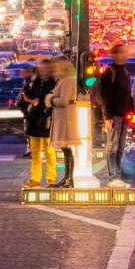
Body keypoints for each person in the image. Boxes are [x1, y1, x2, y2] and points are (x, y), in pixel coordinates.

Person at [96, 44, 134, 187]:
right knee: (112, 146)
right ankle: (112, 177)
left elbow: (128, 94)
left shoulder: (125, 71)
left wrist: (131, 109)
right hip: (114, 116)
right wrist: (107, 116)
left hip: (124, 115)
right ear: (115, 55)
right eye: (123, 52)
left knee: (120, 147)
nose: (126, 55)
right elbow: (105, 97)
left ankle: (117, 176)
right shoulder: (109, 73)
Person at [19, 59, 57, 189]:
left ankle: (51, 179)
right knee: (35, 152)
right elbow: (27, 99)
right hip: (34, 120)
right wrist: (30, 102)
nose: (42, 70)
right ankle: (35, 179)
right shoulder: (34, 83)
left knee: (49, 151)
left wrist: (37, 103)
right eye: (41, 68)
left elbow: (51, 101)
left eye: (45, 68)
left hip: (46, 120)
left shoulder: (53, 83)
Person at [47, 58, 83, 187]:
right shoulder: (63, 80)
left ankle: (69, 179)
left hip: (66, 119)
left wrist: (51, 100)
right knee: (65, 149)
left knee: (67, 149)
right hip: (63, 118)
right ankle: (67, 179)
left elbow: (63, 101)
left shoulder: (67, 81)